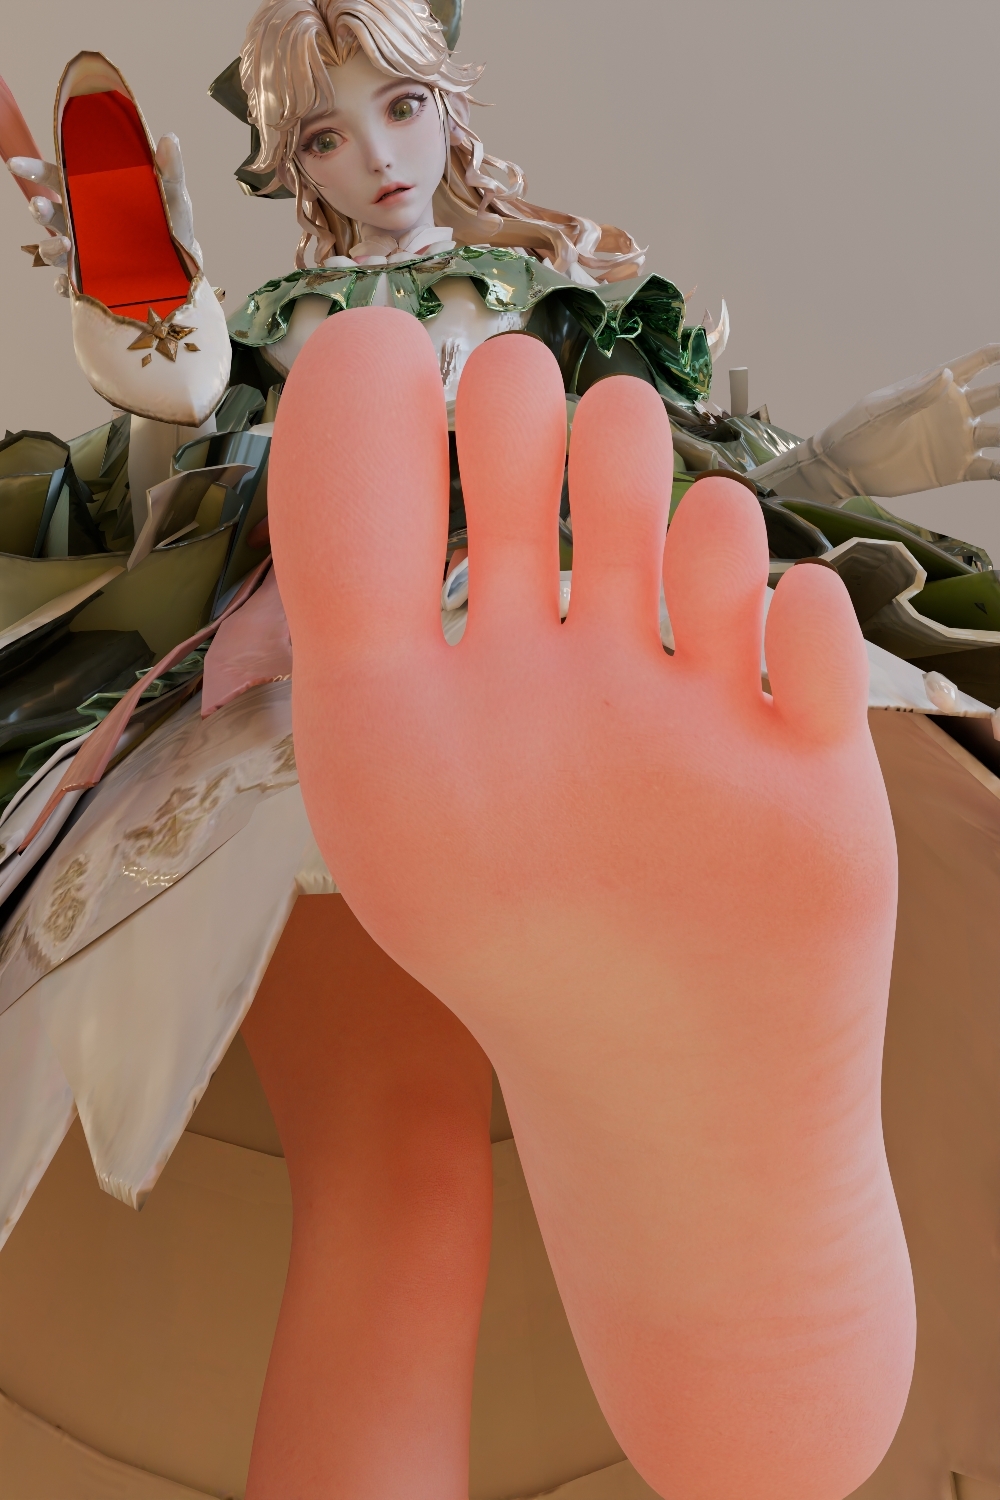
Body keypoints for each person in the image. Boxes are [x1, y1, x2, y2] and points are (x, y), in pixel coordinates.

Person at [0, 3, 998, 1497]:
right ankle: (685, 1145)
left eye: (400, 108)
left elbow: (691, 465)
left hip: (362, 720)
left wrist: (853, 458)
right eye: (325, 135)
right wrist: (161, 364)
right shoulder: (272, 335)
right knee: (399, 1156)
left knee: (393, 1181)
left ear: (449, 105)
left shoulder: (559, 298)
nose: (375, 158)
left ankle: (615, 960)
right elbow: (178, 488)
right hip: (370, 686)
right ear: (290, 167)